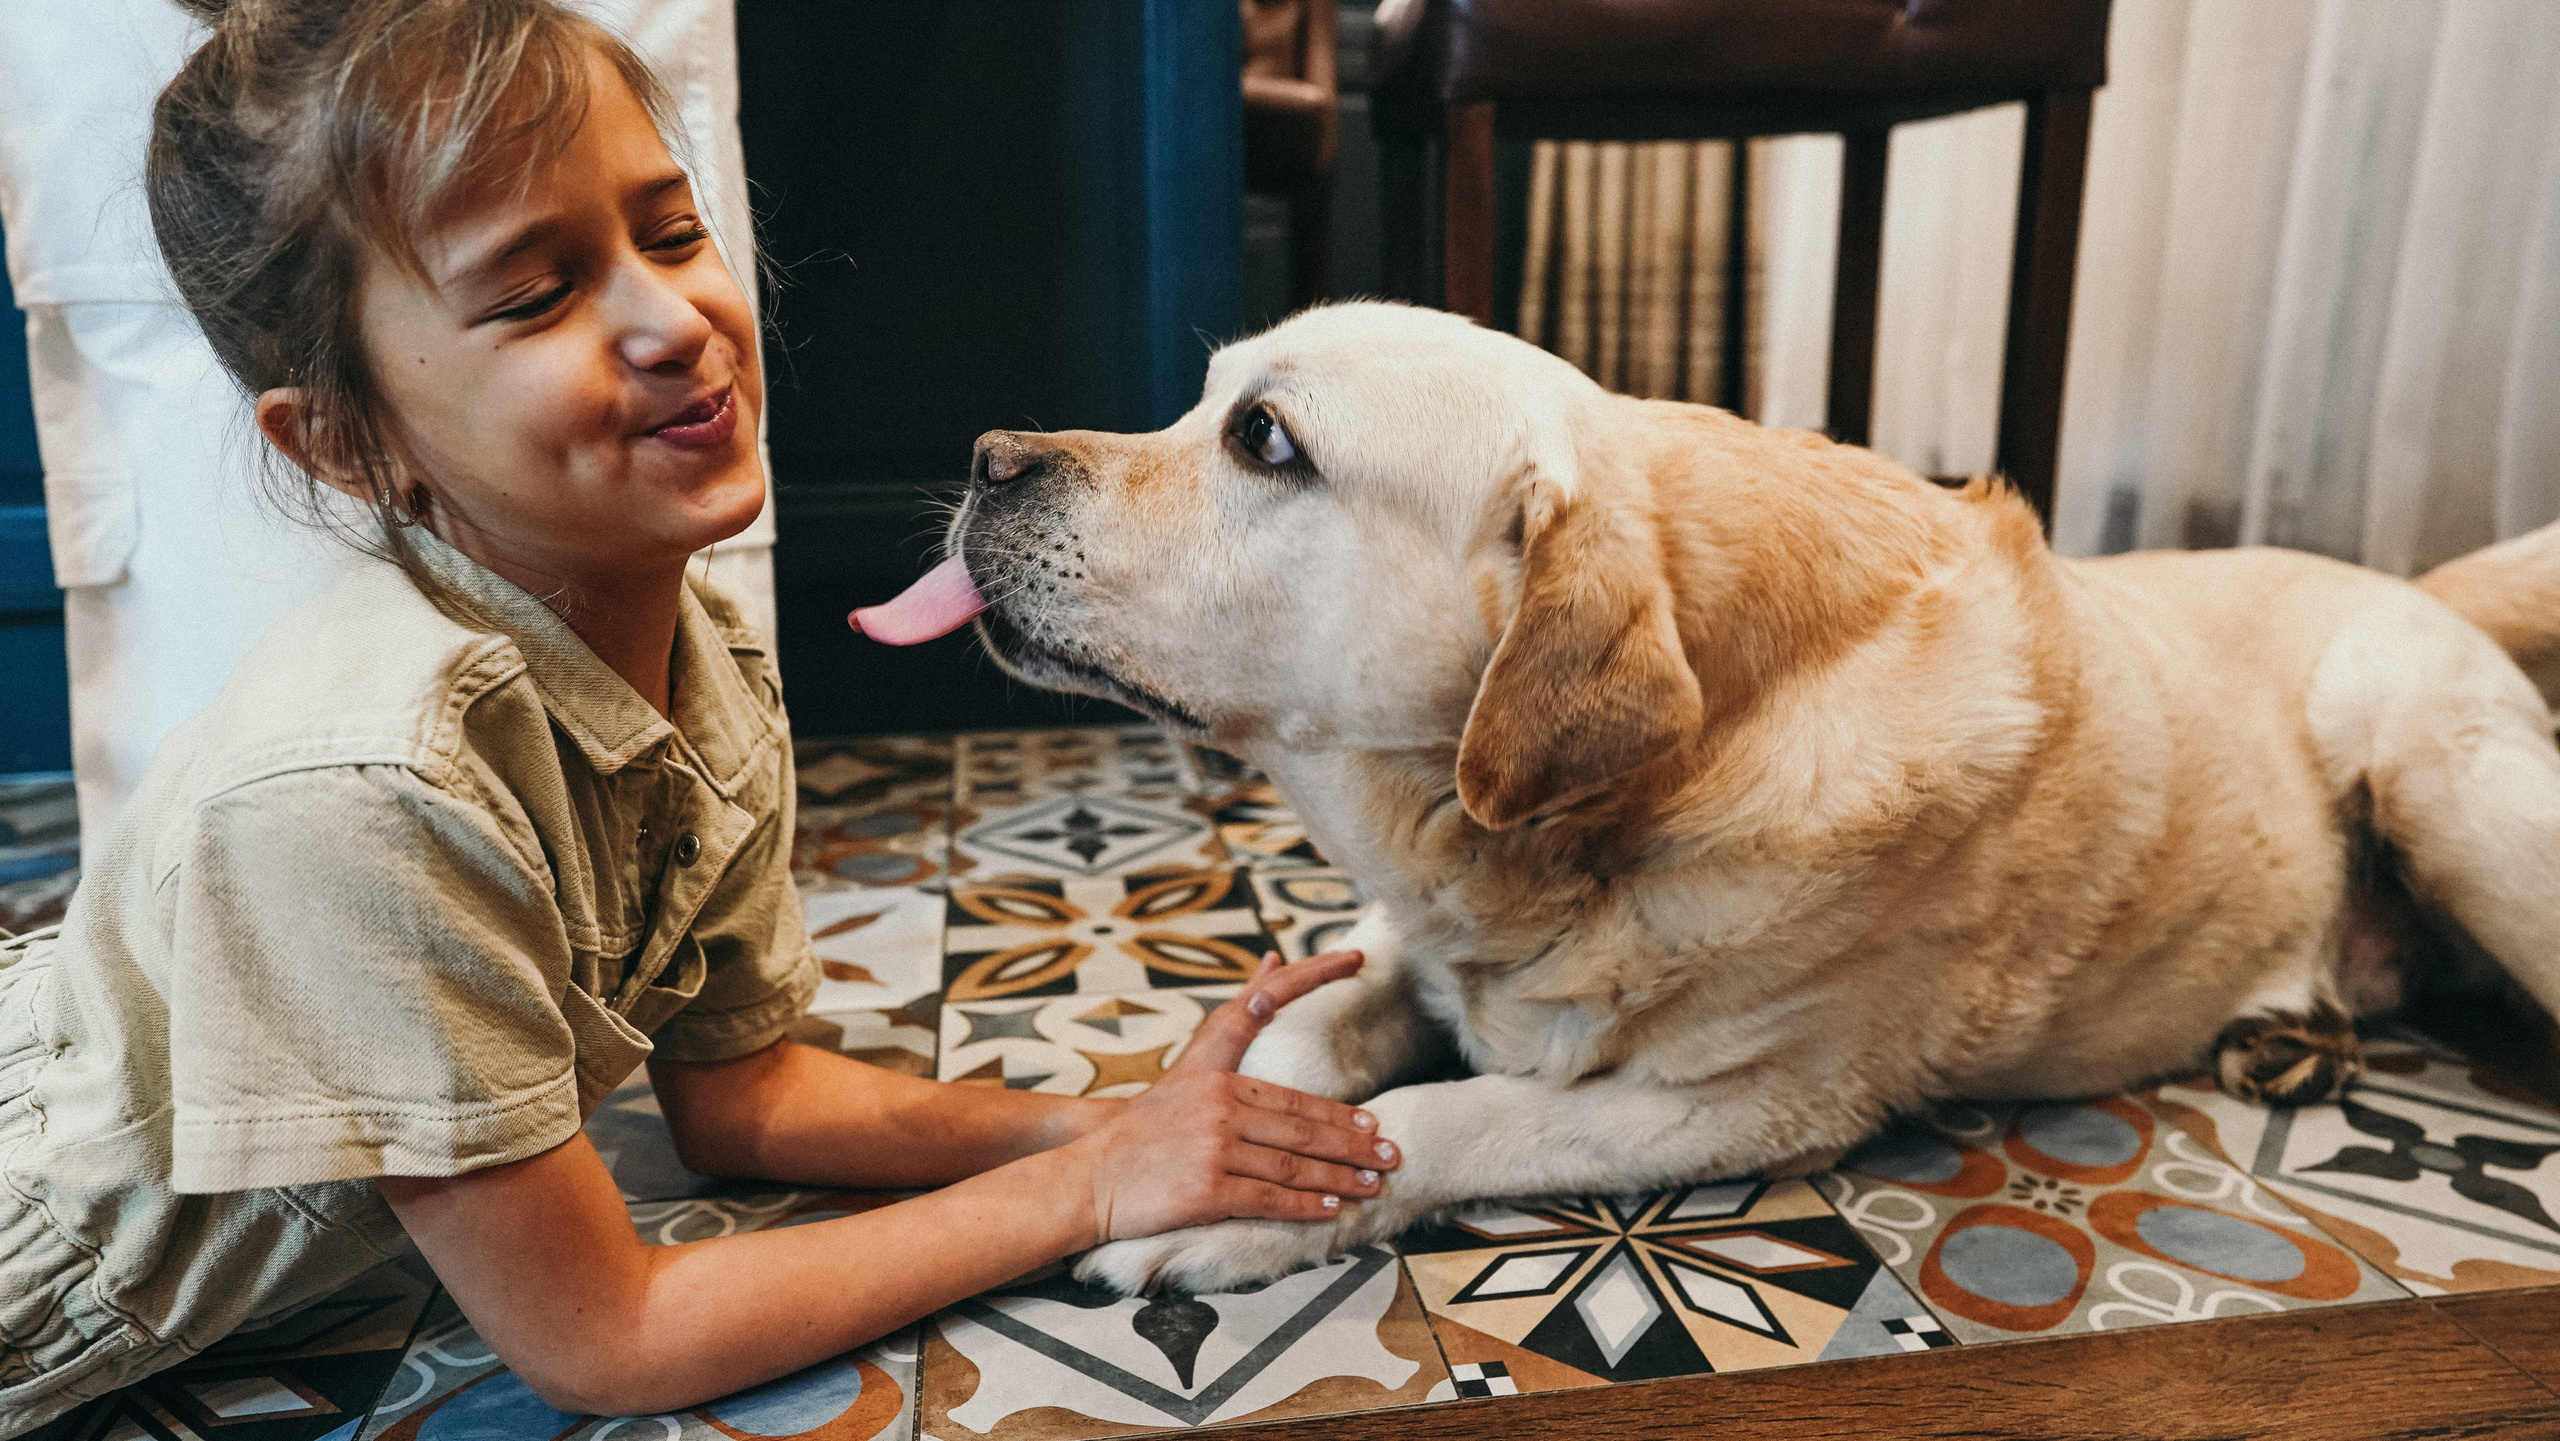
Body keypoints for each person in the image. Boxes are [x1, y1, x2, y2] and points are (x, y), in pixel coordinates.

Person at [0, 1, 1398, 1432]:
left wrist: (1115, 1119)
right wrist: (1087, 1188)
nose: (676, 320)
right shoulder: (364, 791)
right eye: (536, 295)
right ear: (349, 441)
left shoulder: (690, 639)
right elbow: (606, 1339)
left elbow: (741, 1096)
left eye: (669, 233)